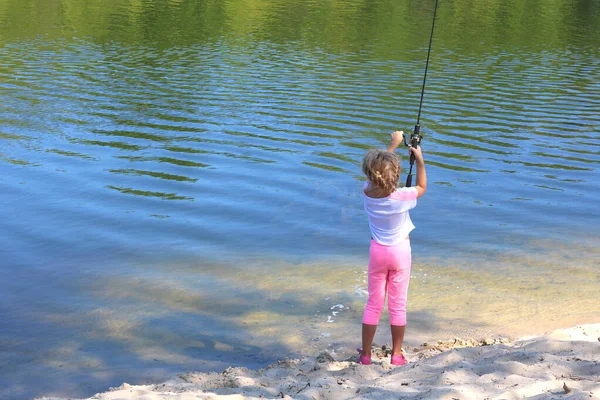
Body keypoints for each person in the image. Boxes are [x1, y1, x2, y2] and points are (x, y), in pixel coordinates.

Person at [358, 130, 427, 366]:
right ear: (395, 177)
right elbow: (422, 186)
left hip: (377, 252)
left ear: (370, 175)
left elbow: (376, 174)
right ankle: (396, 355)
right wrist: (419, 159)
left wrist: (393, 144)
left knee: (373, 303)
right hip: (400, 254)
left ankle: (366, 354)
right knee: (398, 304)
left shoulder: (367, 192)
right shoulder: (403, 196)